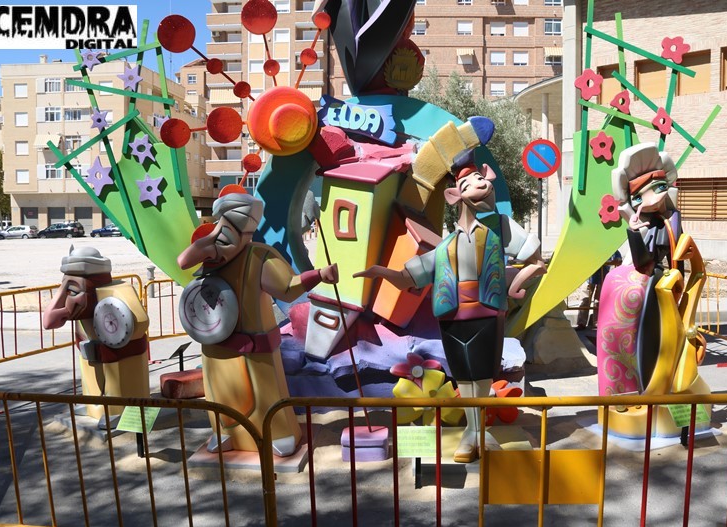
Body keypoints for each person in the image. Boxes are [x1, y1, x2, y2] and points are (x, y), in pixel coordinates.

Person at [355, 148, 545, 462]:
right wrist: (381, 273)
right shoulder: (445, 246)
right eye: (470, 182)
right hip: (453, 319)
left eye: (482, 179)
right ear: (455, 195)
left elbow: (535, 259)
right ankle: (474, 431)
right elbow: (408, 277)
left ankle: (476, 434)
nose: (482, 185)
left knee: (482, 376)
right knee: (464, 377)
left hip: (486, 315)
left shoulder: (500, 227)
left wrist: (515, 285)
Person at [177, 185, 338, 456]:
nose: (227, 239)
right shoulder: (212, 256)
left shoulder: (259, 257)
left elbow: (287, 287)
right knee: (219, 393)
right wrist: (210, 241)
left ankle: (279, 434)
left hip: (254, 350)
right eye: (224, 228)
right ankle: (225, 433)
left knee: (265, 394)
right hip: (216, 344)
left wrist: (319, 275)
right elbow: (183, 261)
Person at [43, 246, 150, 427]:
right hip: (90, 347)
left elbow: (140, 322)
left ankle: (117, 410)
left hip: (118, 354)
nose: (66, 297)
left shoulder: (118, 292)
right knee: (90, 374)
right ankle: (92, 405)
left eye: (73, 291)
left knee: (115, 381)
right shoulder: (82, 314)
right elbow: (49, 321)